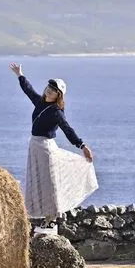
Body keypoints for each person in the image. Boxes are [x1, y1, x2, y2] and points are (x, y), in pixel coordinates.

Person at [9, 62, 98, 231]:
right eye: (48, 88)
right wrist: (20, 75)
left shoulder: (56, 112)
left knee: (49, 183)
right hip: (35, 146)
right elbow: (28, 90)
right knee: (38, 180)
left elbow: (67, 129)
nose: (48, 91)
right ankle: (46, 217)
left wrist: (82, 145)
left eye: (52, 90)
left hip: (45, 148)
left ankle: (52, 218)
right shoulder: (41, 103)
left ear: (58, 95)